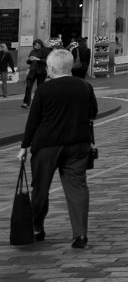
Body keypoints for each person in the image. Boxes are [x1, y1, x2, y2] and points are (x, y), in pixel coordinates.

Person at [17, 48, 97, 248]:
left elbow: (33, 121)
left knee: (41, 188)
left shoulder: (44, 89)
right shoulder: (85, 87)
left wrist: (24, 146)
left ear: (51, 68)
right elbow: (92, 114)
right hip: (78, 144)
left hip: (47, 146)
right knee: (77, 186)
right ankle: (80, 234)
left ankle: (37, 227)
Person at [21, 38, 47, 108]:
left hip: (41, 71)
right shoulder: (32, 51)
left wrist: (37, 59)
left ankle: (40, 103)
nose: (36, 46)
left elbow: (47, 61)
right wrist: (28, 59)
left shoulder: (45, 50)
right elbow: (29, 62)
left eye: (38, 45)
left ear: (41, 45)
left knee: (40, 87)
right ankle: (26, 103)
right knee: (28, 86)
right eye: (35, 45)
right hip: (32, 71)